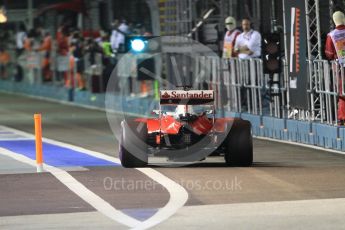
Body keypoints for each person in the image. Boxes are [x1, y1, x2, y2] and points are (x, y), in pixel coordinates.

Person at [325, 11, 345, 125]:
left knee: (342, 92)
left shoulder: (331, 35)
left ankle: (342, 117)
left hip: (341, 67)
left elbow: (329, 53)